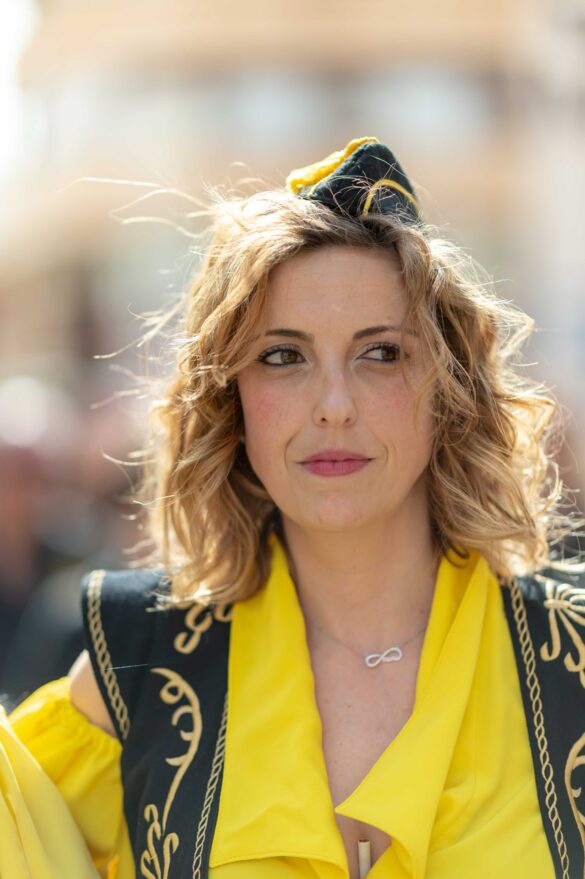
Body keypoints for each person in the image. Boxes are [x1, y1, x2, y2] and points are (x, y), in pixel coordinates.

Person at [1, 136, 584, 879]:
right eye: (283, 356)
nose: (333, 406)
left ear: (448, 389)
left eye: (381, 353)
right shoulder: (138, 667)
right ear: (232, 398)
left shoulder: (570, 655)